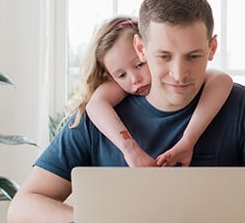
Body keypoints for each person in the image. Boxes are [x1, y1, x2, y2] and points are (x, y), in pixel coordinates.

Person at [8, 0, 245, 223]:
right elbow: (23, 206)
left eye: (194, 56)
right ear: (140, 48)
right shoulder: (98, 118)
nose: (179, 74)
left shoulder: (239, 106)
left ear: (212, 48)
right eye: (164, 56)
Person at [68, 15, 233, 167]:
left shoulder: (180, 77)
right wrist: (130, 149)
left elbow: (222, 80)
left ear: (145, 51)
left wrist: (188, 141)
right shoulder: (117, 87)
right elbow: (95, 104)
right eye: (121, 75)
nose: (134, 79)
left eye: (139, 65)